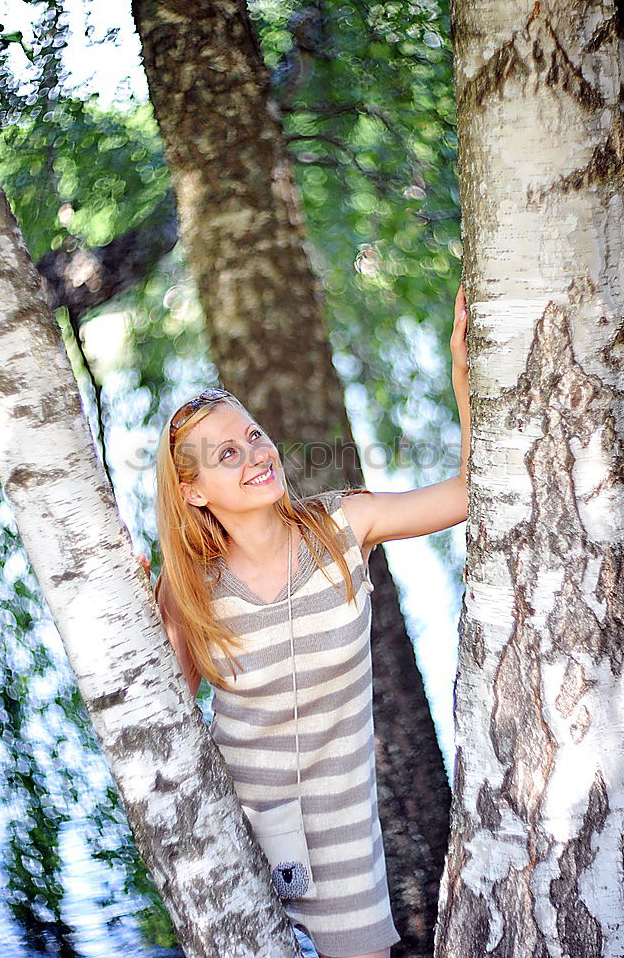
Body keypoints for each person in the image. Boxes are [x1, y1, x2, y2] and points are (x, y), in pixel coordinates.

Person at [151, 285, 469, 958]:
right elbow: (165, 720)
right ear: (193, 492)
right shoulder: (190, 590)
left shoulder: (342, 527)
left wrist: (461, 379)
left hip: (343, 835)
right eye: (225, 454)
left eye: (254, 436)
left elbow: (469, 493)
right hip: (234, 836)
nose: (255, 455)